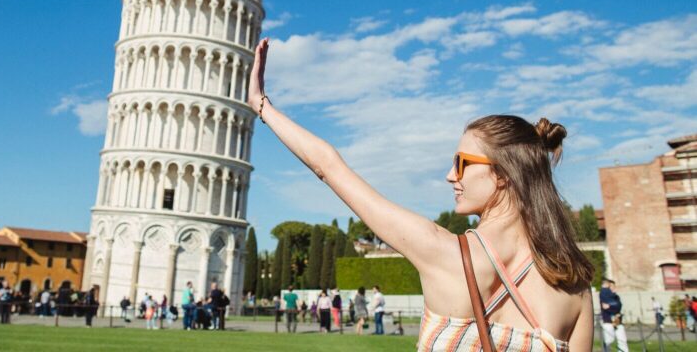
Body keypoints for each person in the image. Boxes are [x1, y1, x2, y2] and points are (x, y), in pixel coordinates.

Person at [248, 38, 595, 350]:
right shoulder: (575, 286)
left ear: (502, 173)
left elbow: (330, 167)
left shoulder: (443, 252)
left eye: (460, 163)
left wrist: (262, 106)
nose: (449, 176)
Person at [600, 279, 628, 352]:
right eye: (611, 286)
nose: (613, 288)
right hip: (608, 321)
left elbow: (618, 306)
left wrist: (611, 306)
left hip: (618, 321)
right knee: (609, 340)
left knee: (622, 340)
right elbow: (605, 307)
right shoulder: (604, 295)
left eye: (613, 286)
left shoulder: (616, 297)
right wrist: (612, 306)